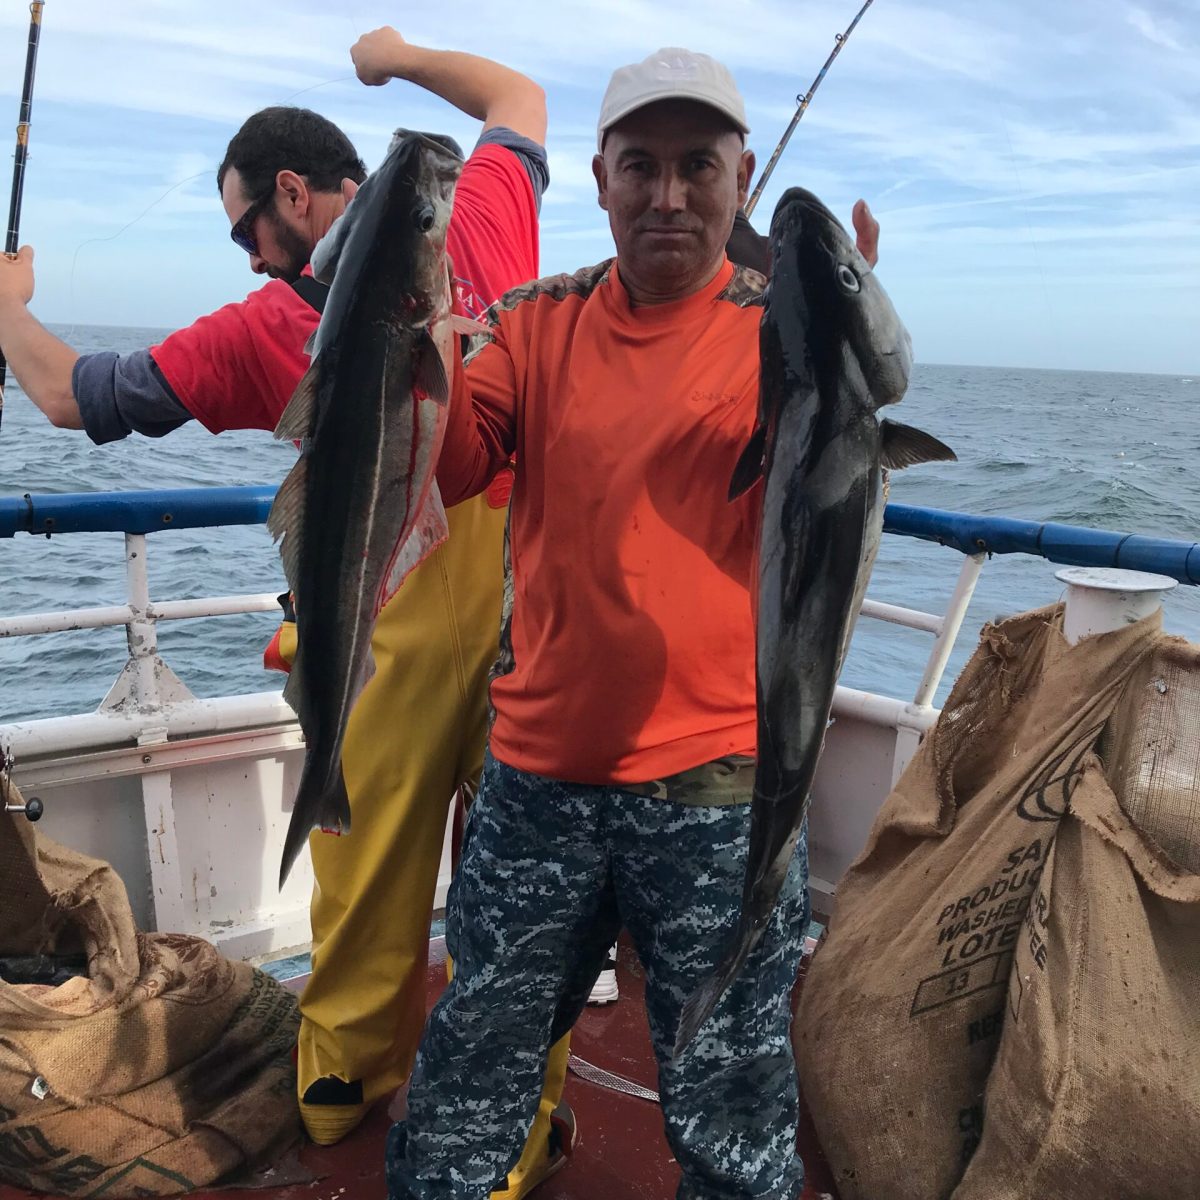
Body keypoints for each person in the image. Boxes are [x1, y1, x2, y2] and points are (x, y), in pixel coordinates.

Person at [0, 28, 574, 1199]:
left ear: (297, 195)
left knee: (365, 868)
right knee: (526, 877)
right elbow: (518, 93)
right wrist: (396, 55)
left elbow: (64, 394)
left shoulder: (266, 331)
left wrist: (6, 306)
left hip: (386, 613)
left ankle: (340, 1081)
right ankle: (517, 1126)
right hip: (533, 601)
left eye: (247, 230)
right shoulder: (476, 224)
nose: (254, 257)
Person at [385, 46, 882, 1200]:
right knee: (470, 1068)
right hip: (538, 777)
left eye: (697, 165)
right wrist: (419, 352)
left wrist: (844, 343)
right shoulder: (535, 321)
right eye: (641, 166)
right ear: (600, 176)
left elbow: (844, 469)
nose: (668, 195)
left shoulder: (785, 332)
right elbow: (452, 465)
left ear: (741, 177)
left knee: (732, 1098)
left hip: (722, 785)